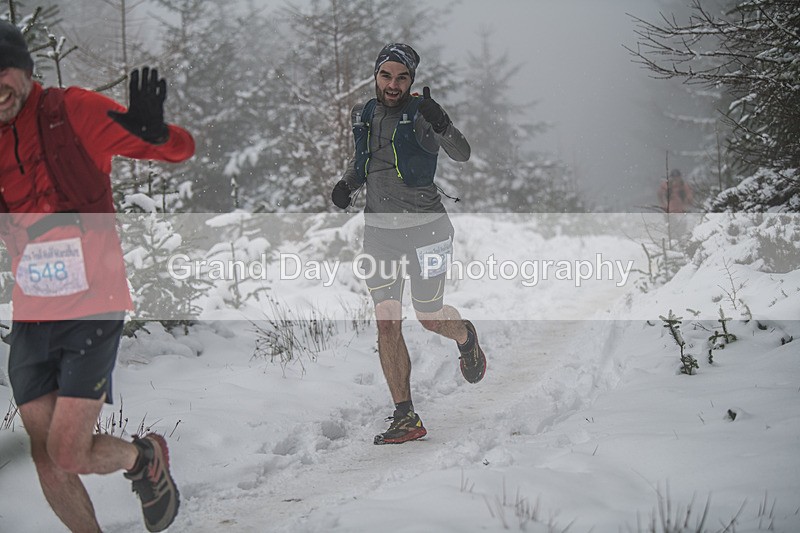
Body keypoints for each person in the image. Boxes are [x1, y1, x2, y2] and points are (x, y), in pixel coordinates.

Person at [0, 20, 194, 532]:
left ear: (25, 69)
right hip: (32, 312)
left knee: (68, 451)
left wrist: (155, 133)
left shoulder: (71, 111)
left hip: (93, 303)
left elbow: (180, 149)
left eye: (3, 71)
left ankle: (143, 458)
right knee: (47, 457)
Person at [331, 43, 486, 445]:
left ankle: (465, 336)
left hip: (428, 232)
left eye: (401, 78)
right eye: (386, 76)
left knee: (429, 316)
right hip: (380, 234)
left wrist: (443, 123)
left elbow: (462, 153)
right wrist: (347, 184)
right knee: (387, 320)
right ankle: (406, 416)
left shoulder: (422, 115)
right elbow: (363, 161)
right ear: (376, 76)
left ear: (411, 80)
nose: (393, 85)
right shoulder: (364, 113)